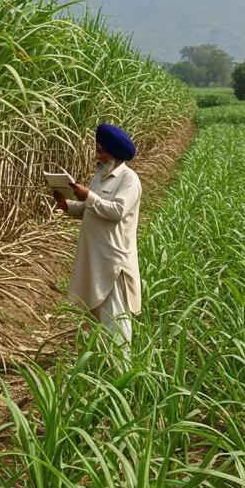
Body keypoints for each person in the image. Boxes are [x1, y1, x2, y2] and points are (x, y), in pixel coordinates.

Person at [52, 123, 141, 353]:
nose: (97, 155)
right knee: (97, 316)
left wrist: (88, 196)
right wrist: (68, 206)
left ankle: (121, 370)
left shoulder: (129, 180)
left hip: (113, 261)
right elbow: (89, 210)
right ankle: (101, 364)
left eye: (101, 150)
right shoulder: (100, 177)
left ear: (114, 153)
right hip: (94, 258)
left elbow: (116, 211)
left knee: (115, 319)